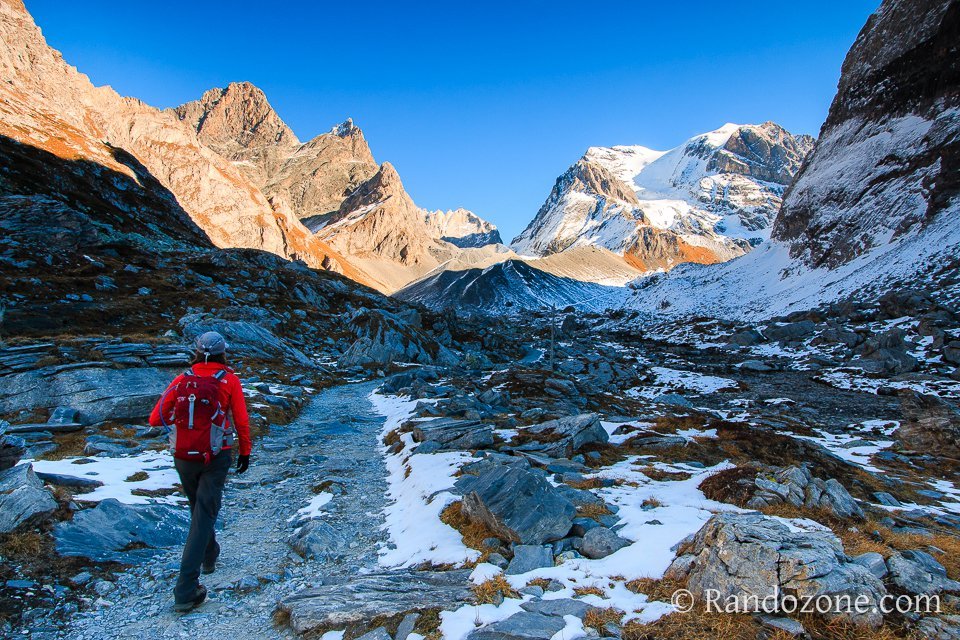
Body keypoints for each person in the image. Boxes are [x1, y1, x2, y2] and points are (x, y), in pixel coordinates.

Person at [149, 331, 252, 612]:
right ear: (223, 352)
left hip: (183, 455)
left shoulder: (183, 378)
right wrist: (245, 450)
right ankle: (185, 589)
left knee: (198, 508)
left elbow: (155, 417)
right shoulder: (229, 379)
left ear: (196, 351)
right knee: (204, 512)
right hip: (216, 455)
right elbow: (240, 419)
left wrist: (184, 425)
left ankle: (209, 554)